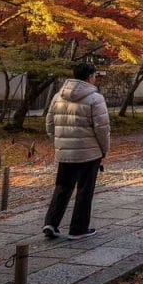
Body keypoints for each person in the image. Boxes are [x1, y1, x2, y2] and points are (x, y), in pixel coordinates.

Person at [42, 63, 109, 240]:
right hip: (89, 152)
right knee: (85, 190)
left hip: (65, 151)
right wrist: (104, 149)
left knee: (62, 187)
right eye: (94, 75)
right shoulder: (95, 98)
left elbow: (49, 123)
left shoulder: (58, 95)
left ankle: (51, 222)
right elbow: (102, 129)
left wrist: (59, 141)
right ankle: (78, 228)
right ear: (89, 77)